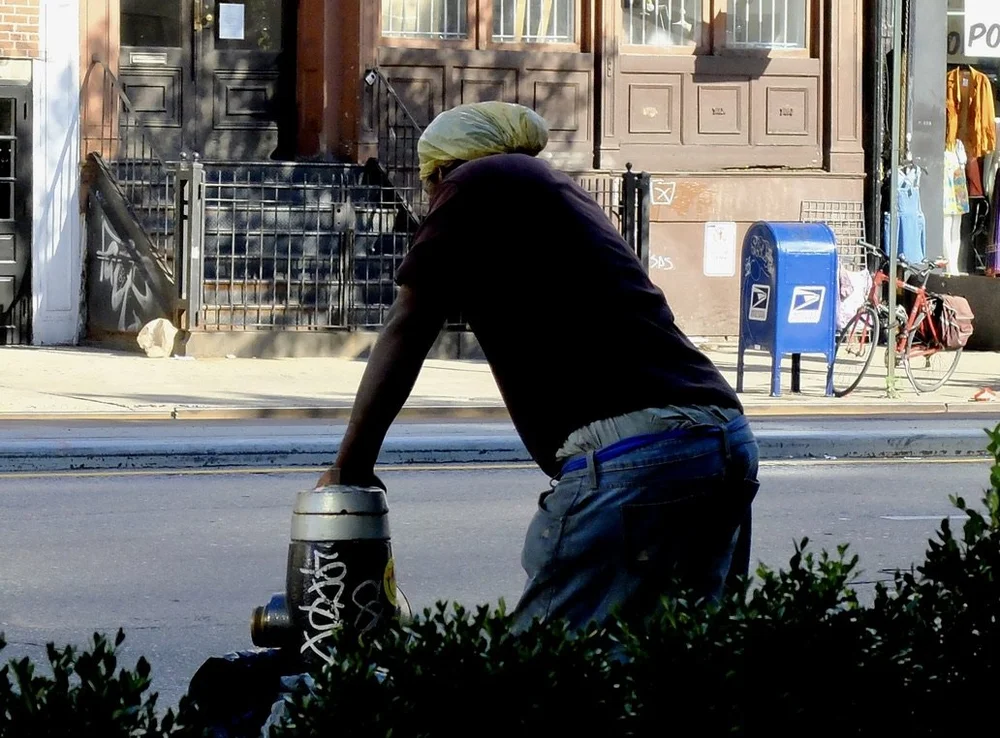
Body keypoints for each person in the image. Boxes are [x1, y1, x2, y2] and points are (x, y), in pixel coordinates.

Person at [316, 101, 759, 634]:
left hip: (638, 451)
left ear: (440, 171)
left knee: (540, 667)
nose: (430, 199)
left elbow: (408, 327)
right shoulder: (552, 191)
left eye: (428, 184)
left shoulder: (475, 182)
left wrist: (352, 466)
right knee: (670, 652)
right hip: (719, 436)